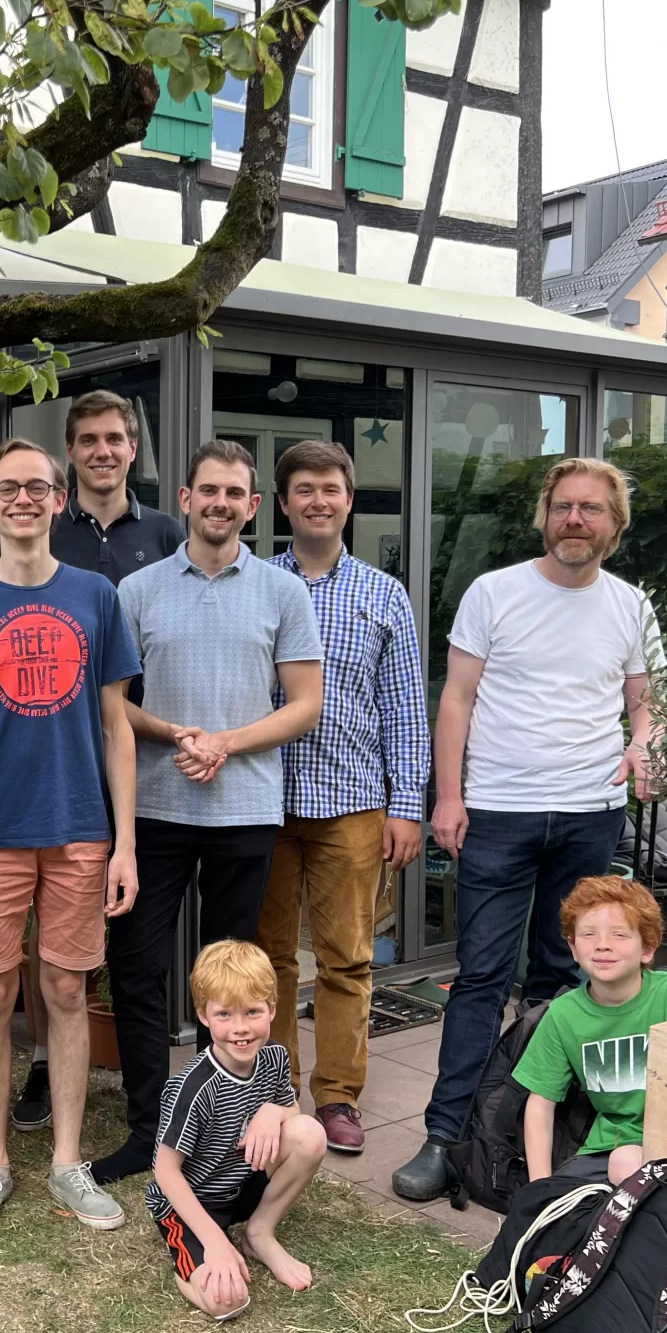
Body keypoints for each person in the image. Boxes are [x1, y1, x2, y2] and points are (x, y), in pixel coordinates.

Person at [392, 457, 661, 1203]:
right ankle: (445, 1139)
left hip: (590, 814)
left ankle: (537, 1141)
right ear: (545, 516)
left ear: (615, 523)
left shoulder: (631, 607)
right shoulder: (495, 592)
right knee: (479, 976)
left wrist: (643, 745)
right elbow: (458, 701)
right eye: (564, 507)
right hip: (500, 811)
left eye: (593, 509)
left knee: (564, 981)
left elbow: (646, 703)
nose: (576, 520)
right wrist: (448, 797)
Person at [94, 441, 323, 1187]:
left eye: (236, 494)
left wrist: (225, 742)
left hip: (246, 811)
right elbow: (116, 705)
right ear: (185, 499)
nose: (221, 503)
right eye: (209, 491)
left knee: (232, 990)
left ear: (253, 508)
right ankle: (146, 1127)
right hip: (154, 808)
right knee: (136, 969)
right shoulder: (138, 591)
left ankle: (216, 1127)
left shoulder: (284, 594)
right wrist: (177, 734)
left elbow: (306, 705)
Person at [0, 437, 142, 1238]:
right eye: (7, 488)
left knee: (64, 992)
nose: (23, 499)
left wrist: (124, 843)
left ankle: (64, 1160)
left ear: (60, 500)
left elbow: (117, 729)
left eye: (38, 487)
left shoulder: (95, 595)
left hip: (80, 828)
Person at [7, 389, 189, 1134]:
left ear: (133, 447)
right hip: (65, 756)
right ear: (71, 453)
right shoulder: (47, 529)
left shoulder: (169, 532)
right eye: (88, 440)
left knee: (129, 927)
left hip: (151, 751)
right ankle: (49, 1063)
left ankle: (157, 1074)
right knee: (53, 929)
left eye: (116, 437)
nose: (103, 451)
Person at [259, 441, 429, 1155]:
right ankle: (271, 1090)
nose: (318, 501)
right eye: (304, 489)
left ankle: (336, 1096)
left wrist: (408, 803)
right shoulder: (256, 581)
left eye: (330, 489)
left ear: (348, 500)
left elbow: (405, 707)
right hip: (263, 798)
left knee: (347, 958)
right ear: (284, 502)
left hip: (354, 800)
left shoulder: (383, 594)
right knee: (267, 959)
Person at [149, 940, 329, 1320]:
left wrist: (272, 1112)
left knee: (310, 1132)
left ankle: (259, 1233)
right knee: (227, 1301)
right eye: (225, 1014)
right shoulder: (193, 1087)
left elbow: (294, 1114)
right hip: (192, 1203)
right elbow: (165, 1171)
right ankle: (204, 1251)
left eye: (252, 1012)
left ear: (272, 1010)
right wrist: (214, 1241)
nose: (241, 1029)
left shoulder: (275, 1057)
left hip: (243, 1183)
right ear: (203, 1015)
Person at [517, 878, 667, 1187]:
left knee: (626, 1165)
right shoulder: (563, 1014)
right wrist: (539, 1188)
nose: (602, 944)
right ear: (573, 948)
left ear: (648, 948)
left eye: (619, 934)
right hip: (607, 1144)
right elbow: (541, 1103)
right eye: (588, 935)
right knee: (563, 1209)